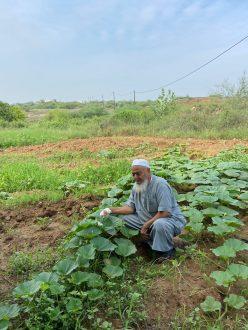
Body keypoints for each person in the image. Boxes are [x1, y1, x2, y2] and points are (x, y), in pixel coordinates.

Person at [100, 159, 186, 263]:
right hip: (147, 220)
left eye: (138, 173)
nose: (136, 177)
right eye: (133, 174)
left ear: (148, 171)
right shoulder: (136, 187)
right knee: (123, 219)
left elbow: (165, 213)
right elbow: (130, 208)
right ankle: (147, 241)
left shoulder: (160, 185)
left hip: (168, 220)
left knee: (160, 224)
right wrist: (109, 210)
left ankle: (166, 253)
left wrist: (145, 225)